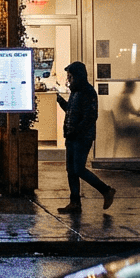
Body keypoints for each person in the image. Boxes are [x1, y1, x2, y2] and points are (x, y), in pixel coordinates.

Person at [53, 63, 115, 212]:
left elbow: (90, 117)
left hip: (82, 138)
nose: (69, 79)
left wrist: (76, 130)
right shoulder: (75, 92)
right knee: (71, 170)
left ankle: (106, 190)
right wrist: (60, 100)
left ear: (78, 76)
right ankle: (75, 203)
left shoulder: (88, 92)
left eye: (70, 76)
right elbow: (71, 110)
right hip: (72, 136)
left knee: (79, 169)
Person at [113, 80, 140, 156]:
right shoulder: (125, 97)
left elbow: (132, 111)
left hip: (120, 124)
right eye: (133, 87)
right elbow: (134, 112)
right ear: (129, 87)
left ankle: (138, 152)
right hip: (123, 126)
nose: (134, 90)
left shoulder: (120, 96)